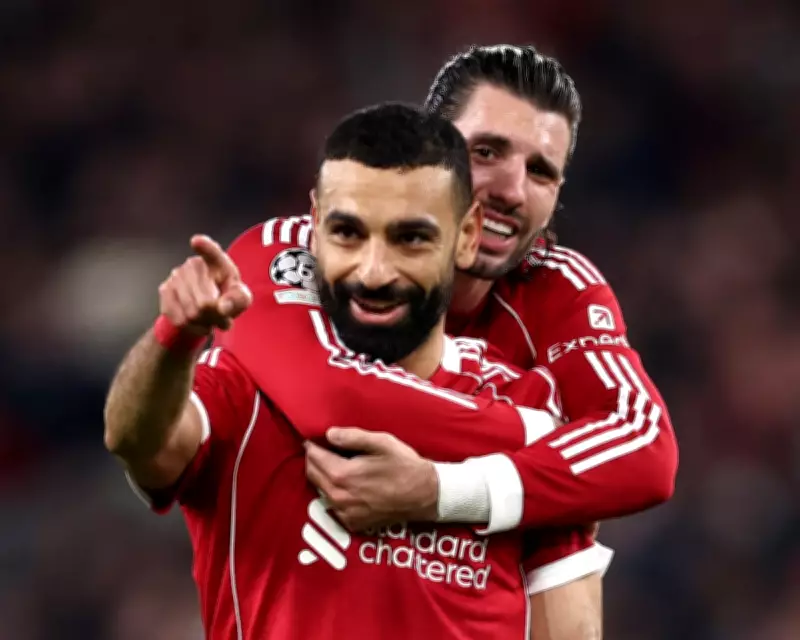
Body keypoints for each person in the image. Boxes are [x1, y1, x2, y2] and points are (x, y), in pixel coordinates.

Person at [104, 103, 609, 640]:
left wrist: (443, 490)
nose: (373, 272)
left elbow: (569, 627)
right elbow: (135, 440)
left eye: (410, 238)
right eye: (348, 233)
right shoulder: (247, 385)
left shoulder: (525, 400)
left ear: (467, 235)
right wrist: (174, 338)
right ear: (314, 225)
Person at [220, 45, 678, 534]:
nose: (512, 191)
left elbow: (648, 452)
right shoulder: (289, 254)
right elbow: (335, 402)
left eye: (540, 171)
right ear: (431, 146)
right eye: (486, 152)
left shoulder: (557, 288)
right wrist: (546, 431)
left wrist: (445, 491)